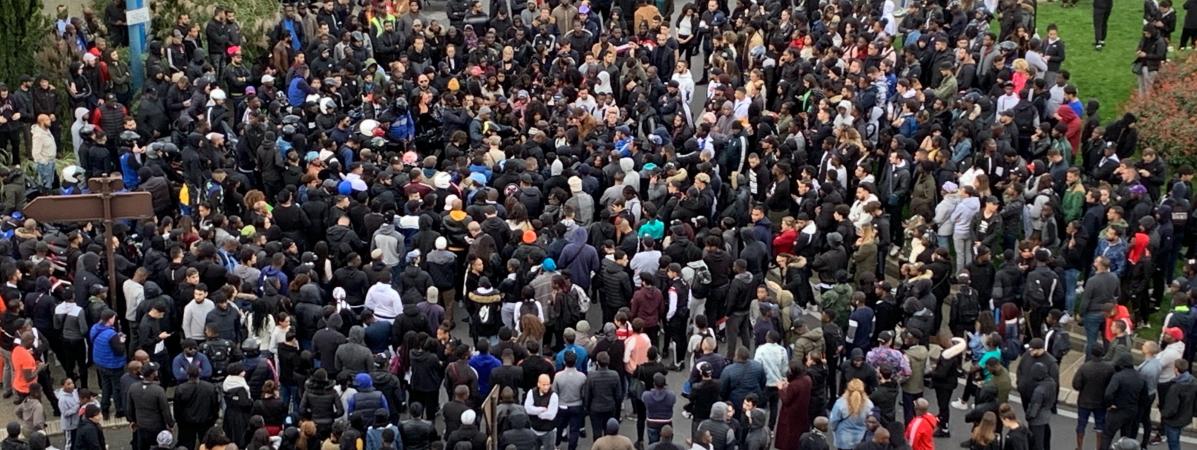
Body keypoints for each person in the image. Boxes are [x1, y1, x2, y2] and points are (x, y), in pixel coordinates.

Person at [126, 363, 175, 450]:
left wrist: (132, 420)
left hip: (141, 425)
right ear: (153, 374)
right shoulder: (158, 390)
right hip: (157, 426)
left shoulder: (133, 387)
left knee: (143, 446)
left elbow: (129, 407)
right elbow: (165, 410)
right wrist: (170, 424)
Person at [829, 379, 873, 450]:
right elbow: (870, 421)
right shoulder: (869, 404)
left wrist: (834, 429)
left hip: (844, 439)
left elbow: (834, 420)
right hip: (861, 439)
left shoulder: (840, 403)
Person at [524, 374, 558, 450]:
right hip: (534, 430)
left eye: (548, 384)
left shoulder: (553, 396)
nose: (546, 387)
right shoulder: (531, 392)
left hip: (548, 432)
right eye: (544, 384)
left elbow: (551, 415)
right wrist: (541, 409)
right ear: (538, 384)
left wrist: (536, 413)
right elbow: (527, 409)